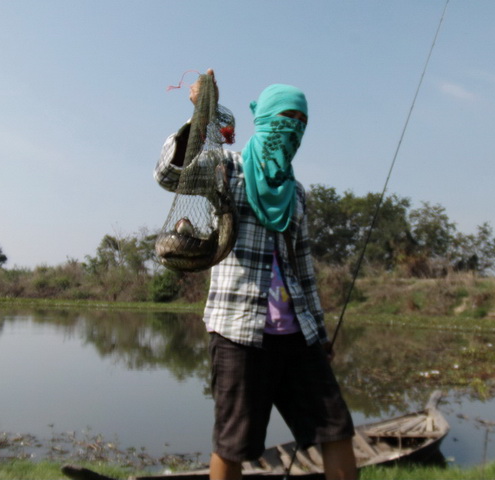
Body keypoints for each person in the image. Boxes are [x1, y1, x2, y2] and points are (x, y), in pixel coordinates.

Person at [154, 69, 357, 480]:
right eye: (285, 120)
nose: (293, 130)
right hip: (238, 332)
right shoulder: (226, 167)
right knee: (233, 446)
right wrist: (201, 118)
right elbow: (168, 174)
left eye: (301, 123)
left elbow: (303, 269)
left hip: (297, 334)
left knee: (336, 430)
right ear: (263, 120)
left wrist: (318, 334)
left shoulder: (295, 192)